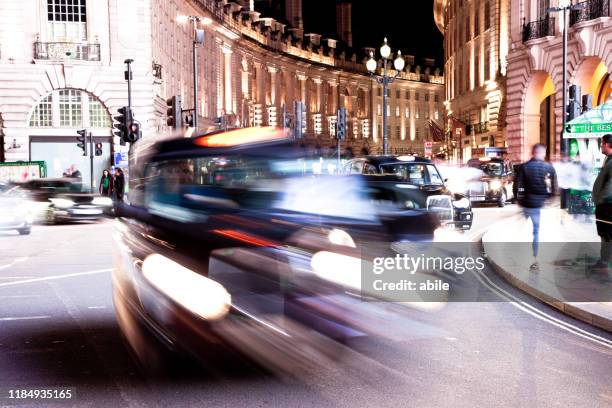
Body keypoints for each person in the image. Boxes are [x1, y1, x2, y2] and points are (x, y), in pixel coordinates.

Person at [515, 144, 557, 271]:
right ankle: (535, 258)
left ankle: (519, 254)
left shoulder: (525, 167)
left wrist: (518, 199)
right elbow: (553, 187)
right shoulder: (549, 167)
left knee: (520, 228)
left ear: (533, 153)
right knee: (536, 232)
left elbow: (517, 185)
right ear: (543, 153)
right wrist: (549, 199)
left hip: (527, 203)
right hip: (539, 204)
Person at [591, 134, 612, 272]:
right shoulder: (608, 159)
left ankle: (604, 263)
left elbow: (610, 186)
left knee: (607, 233)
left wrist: (601, 199)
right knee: (605, 233)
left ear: (606, 144)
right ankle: (604, 261)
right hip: (605, 204)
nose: (600, 146)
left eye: (601, 143)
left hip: (607, 206)